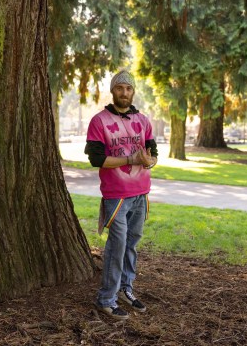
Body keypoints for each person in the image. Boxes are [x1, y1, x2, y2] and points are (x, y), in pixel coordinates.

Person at [84, 70, 158, 320]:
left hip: (141, 193)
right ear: (113, 91)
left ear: (133, 91)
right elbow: (96, 159)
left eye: (128, 88)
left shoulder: (144, 120)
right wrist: (130, 158)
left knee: (132, 244)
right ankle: (106, 298)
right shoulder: (99, 121)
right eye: (119, 88)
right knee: (117, 246)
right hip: (116, 195)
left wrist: (150, 161)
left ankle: (126, 289)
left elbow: (152, 153)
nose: (124, 92)